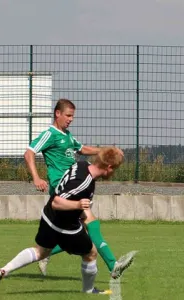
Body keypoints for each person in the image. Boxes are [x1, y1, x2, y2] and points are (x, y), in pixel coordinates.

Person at [0, 147, 136, 293]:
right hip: (65, 224)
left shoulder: (81, 165)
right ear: (108, 167)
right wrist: (77, 204)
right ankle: (89, 290)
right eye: (114, 169)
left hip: (48, 216)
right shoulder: (84, 183)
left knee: (40, 252)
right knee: (91, 253)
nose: (113, 173)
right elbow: (57, 202)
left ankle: (4, 270)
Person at [24, 99, 127, 279]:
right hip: (62, 187)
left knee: (80, 232)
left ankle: (46, 254)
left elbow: (82, 149)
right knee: (90, 222)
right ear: (58, 114)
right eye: (68, 115)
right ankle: (113, 265)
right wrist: (36, 177)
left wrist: (106, 151)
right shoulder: (51, 134)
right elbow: (29, 152)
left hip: (75, 186)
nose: (71, 119)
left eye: (73, 116)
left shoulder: (67, 135)